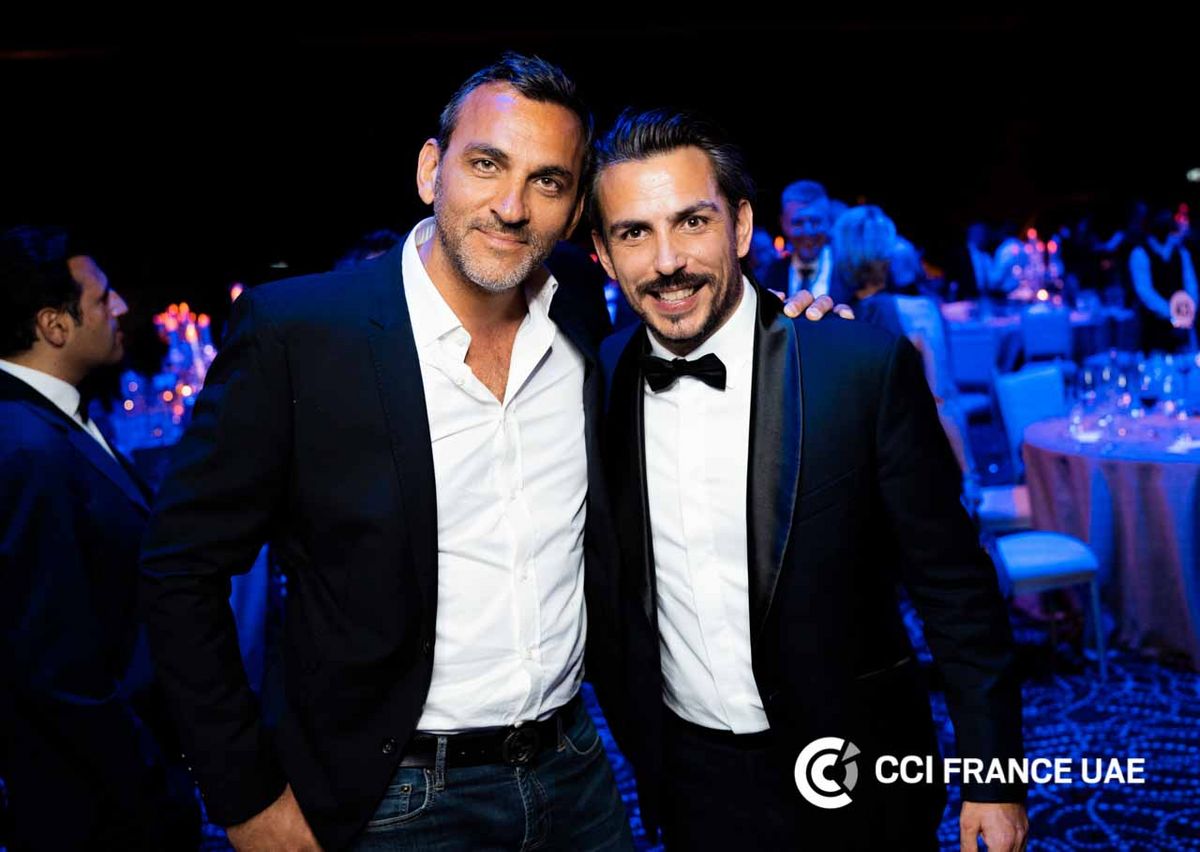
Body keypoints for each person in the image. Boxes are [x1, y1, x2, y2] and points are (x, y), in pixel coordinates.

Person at [138, 54, 841, 851]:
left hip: (575, 768)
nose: (512, 207)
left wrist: (788, 329)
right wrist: (244, 795)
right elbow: (179, 568)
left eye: (548, 181)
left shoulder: (577, 304)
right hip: (393, 795)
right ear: (429, 169)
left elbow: (692, 319)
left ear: (574, 211)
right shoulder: (300, 334)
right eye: (486, 164)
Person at [590, 109, 1028, 852]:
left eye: (692, 221)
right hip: (691, 780)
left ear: (740, 227)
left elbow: (955, 590)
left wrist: (994, 777)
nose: (667, 260)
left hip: (857, 761)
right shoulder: (598, 378)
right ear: (603, 254)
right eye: (634, 233)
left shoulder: (853, 367)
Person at [0, 225, 199, 851]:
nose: (120, 307)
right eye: (102, 297)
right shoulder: (27, 443)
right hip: (95, 802)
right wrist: (150, 788)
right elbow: (57, 660)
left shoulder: (54, 419)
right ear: (54, 325)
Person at [762, 179, 838, 300]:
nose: (808, 232)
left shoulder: (850, 274)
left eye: (815, 222)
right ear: (783, 223)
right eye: (798, 223)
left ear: (828, 222)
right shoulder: (767, 276)